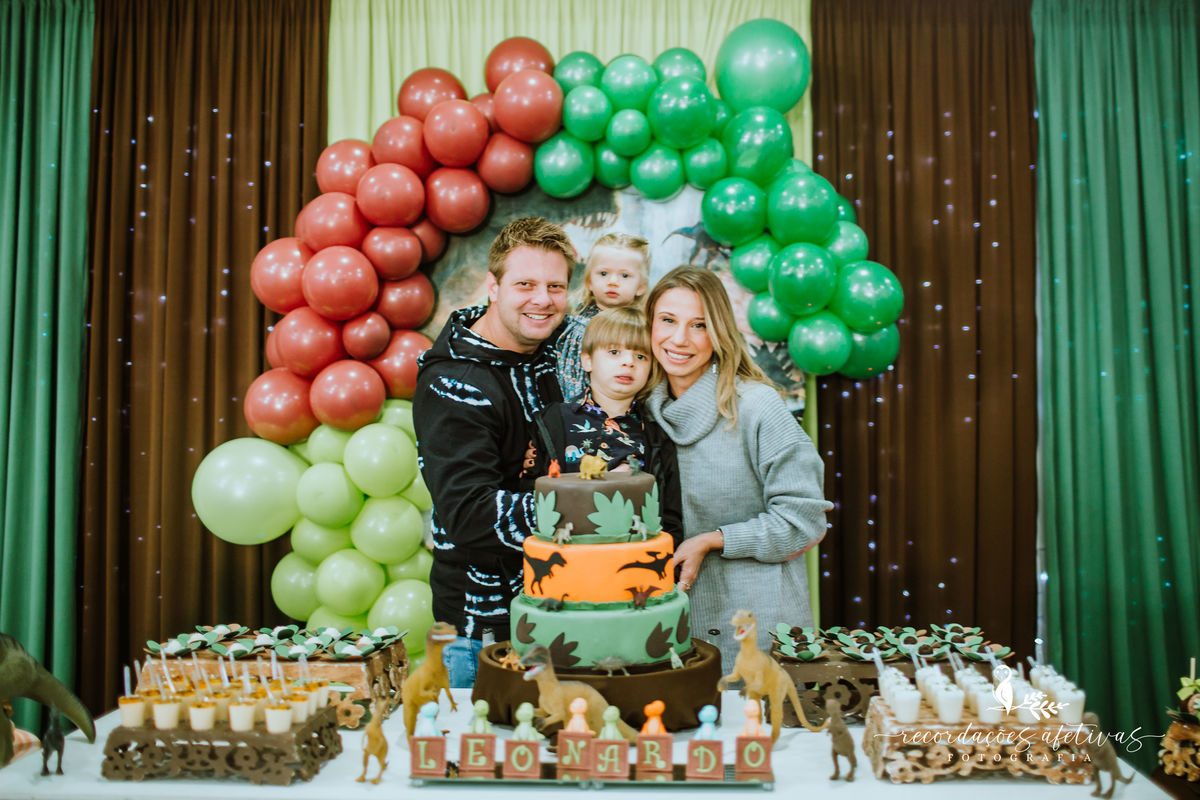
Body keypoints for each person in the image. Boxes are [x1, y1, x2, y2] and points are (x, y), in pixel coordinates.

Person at [643, 266, 832, 674]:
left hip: (758, 630)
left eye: (699, 325)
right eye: (668, 321)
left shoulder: (756, 407)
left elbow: (804, 521)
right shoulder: (638, 414)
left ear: (721, 332)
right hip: (672, 631)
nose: (679, 339)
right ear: (650, 325)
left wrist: (713, 540)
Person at [412, 217, 574, 688]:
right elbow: (469, 513)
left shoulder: (555, 354)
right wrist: (586, 504)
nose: (542, 300)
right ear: (493, 286)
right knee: (484, 758)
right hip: (484, 631)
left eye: (555, 286)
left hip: (564, 609)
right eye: (525, 284)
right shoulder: (454, 383)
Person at [530, 307, 683, 546]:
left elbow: (671, 515)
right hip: (567, 556)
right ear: (587, 360)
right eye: (614, 352)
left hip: (634, 559)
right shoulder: (554, 421)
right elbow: (531, 491)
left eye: (641, 356)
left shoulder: (655, 434)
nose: (628, 362)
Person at [557, 233, 650, 401]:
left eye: (624, 275)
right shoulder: (582, 327)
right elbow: (572, 382)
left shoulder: (642, 327)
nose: (613, 281)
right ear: (589, 282)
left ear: (641, 286)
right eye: (603, 273)